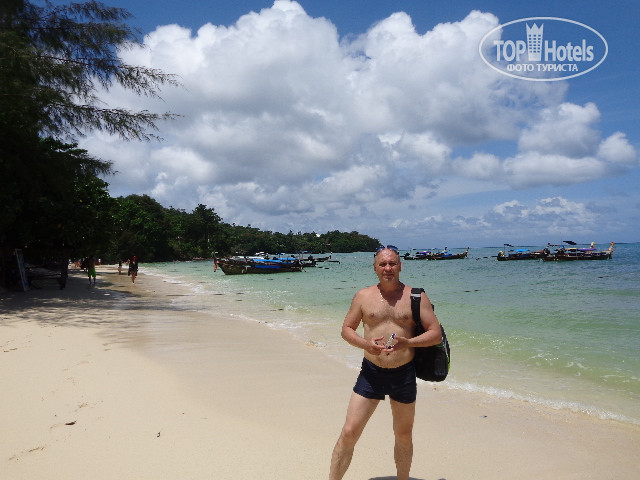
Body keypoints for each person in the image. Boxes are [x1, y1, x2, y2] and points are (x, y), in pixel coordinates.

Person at [329, 245, 443, 480]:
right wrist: (365, 344)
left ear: (400, 266)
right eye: (383, 264)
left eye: (392, 263)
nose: (388, 268)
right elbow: (346, 329)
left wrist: (408, 342)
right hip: (371, 373)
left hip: (403, 374)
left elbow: (436, 334)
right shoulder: (363, 296)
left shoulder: (416, 296)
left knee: (403, 436)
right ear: (375, 268)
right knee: (349, 432)